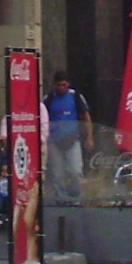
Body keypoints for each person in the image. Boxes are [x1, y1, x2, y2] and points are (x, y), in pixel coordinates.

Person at [43, 73, 92, 206]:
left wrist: (89, 137)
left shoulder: (75, 96)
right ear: (55, 85)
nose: (61, 88)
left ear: (68, 84)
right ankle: (61, 198)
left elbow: (86, 116)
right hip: (54, 141)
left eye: (64, 85)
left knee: (76, 170)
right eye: (58, 85)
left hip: (73, 139)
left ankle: (76, 196)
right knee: (57, 173)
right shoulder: (49, 98)